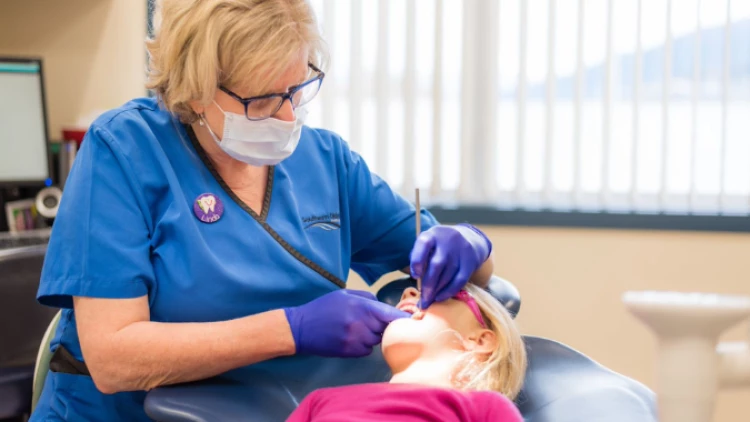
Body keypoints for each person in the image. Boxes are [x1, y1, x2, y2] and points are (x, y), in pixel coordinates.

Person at [31, 1, 496, 421]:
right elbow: (112, 359)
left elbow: (457, 265)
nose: (289, 117)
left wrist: (471, 244)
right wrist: (290, 330)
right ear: (196, 88)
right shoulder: (124, 151)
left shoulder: (326, 163)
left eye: (297, 88)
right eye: (265, 99)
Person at [286, 283, 527, 421]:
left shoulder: (485, 408)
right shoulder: (320, 401)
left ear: (480, 340)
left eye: (441, 292)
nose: (409, 293)